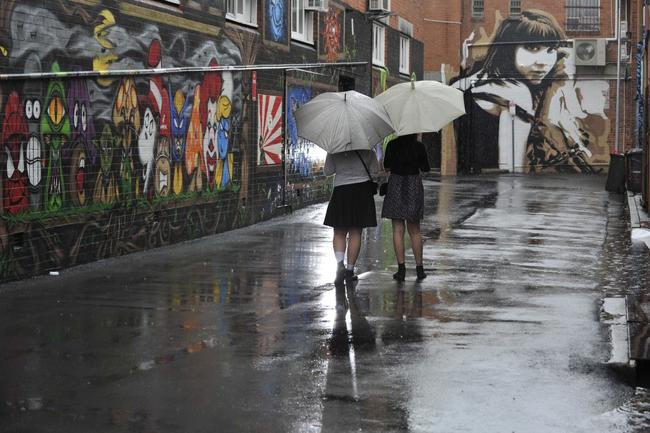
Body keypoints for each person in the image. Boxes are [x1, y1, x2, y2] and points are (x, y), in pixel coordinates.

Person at [452, 9, 596, 174]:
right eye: (532, 47)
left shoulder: (472, 82)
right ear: (508, 49)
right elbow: (511, 167)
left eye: (550, 50)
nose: (543, 62)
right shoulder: (517, 91)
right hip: (495, 193)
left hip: (473, 184)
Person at [323, 149, 379, 285]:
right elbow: (375, 171)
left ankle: (339, 265)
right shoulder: (367, 149)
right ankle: (349, 271)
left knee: (339, 232)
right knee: (355, 232)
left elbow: (328, 171)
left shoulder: (334, 147)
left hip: (341, 191)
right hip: (362, 191)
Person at [381, 134, 430, 281]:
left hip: (395, 184)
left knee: (397, 229)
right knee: (415, 231)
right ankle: (419, 269)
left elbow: (387, 166)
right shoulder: (419, 146)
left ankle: (401, 269)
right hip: (413, 185)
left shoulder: (392, 145)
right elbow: (425, 168)